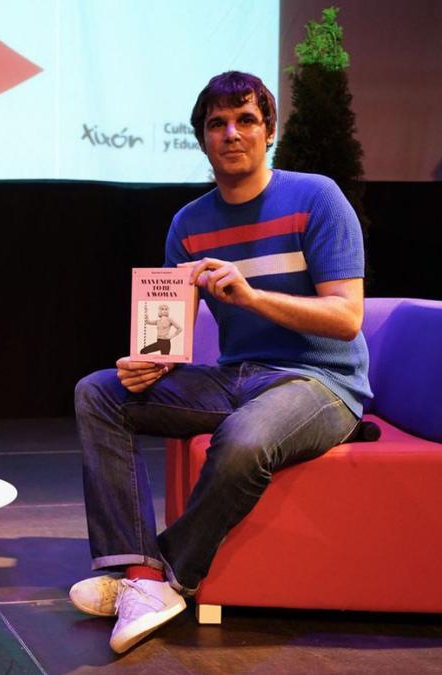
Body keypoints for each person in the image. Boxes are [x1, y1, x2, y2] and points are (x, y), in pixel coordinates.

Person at [70, 71, 369, 654]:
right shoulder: (189, 224)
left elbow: (347, 317)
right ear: (203, 139)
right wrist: (149, 364)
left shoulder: (317, 197)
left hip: (323, 382)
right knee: (99, 392)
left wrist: (254, 297)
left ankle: (160, 578)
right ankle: (137, 569)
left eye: (246, 120)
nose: (232, 133)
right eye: (217, 123)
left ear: (269, 131)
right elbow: (170, 333)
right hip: (236, 375)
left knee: (244, 436)